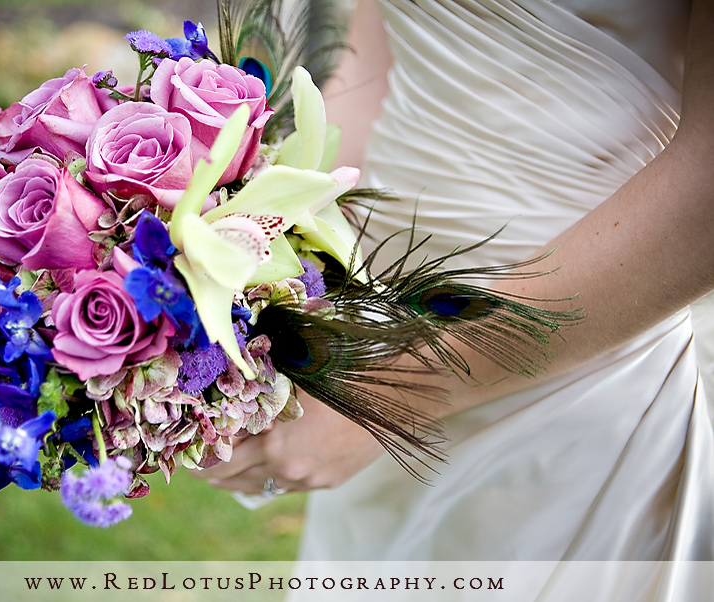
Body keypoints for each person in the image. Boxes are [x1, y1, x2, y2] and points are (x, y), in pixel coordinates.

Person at [197, 0, 714, 573]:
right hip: (374, 311)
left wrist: (390, 394)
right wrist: (253, 253)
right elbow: (373, 77)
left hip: (574, 353)